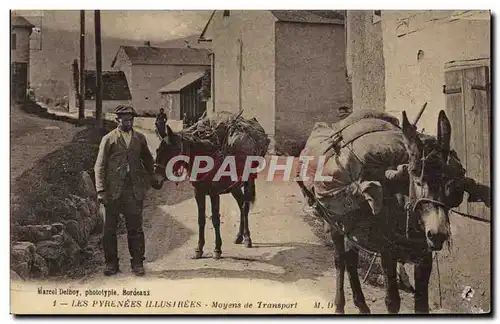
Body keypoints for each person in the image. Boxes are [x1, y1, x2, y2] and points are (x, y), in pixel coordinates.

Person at [94, 105, 155, 276]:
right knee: (109, 230)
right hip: (112, 192)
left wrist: (154, 177)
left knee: (135, 229)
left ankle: (137, 263)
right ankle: (111, 264)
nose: (128, 122)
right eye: (125, 119)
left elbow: (148, 161)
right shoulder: (109, 139)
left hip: (133, 192)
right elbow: (100, 166)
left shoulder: (140, 138)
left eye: (131, 119)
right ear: (117, 120)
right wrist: (100, 190)